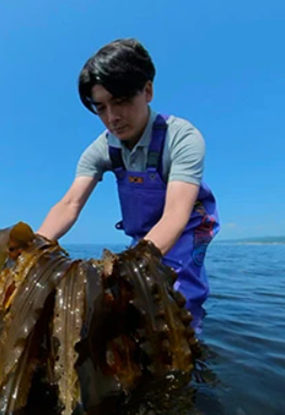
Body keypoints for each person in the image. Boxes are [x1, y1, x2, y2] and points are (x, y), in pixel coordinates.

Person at [36, 38, 220, 333]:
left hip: (186, 229)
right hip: (142, 234)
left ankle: (192, 344)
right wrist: (34, 248)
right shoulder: (102, 149)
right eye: (101, 108)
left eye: (120, 102)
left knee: (177, 303)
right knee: (129, 311)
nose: (112, 118)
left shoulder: (182, 138)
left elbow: (175, 215)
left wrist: (125, 271)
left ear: (147, 91)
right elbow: (69, 204)